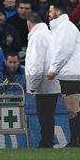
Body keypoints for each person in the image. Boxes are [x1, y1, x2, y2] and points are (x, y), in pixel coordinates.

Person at [47, 3, 80, 147]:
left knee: (73, 107)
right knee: (71, 109)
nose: (49, 13)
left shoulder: (66, 27)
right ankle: (75, 141)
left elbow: (63, 50)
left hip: (72, 72)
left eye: (50, 11)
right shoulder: (59, 28)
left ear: (58, 11)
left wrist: (53, 69)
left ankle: (78, 141)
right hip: (67, 73)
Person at [26, 12, 61, 148]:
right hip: (54, 83)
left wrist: (32, 85)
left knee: (44, 115)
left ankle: (46, 142)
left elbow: (36, 64)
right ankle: (47, 141)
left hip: (43, 84)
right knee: (49, 115)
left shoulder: (37, 37)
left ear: (29, 24)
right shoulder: (50, 34)